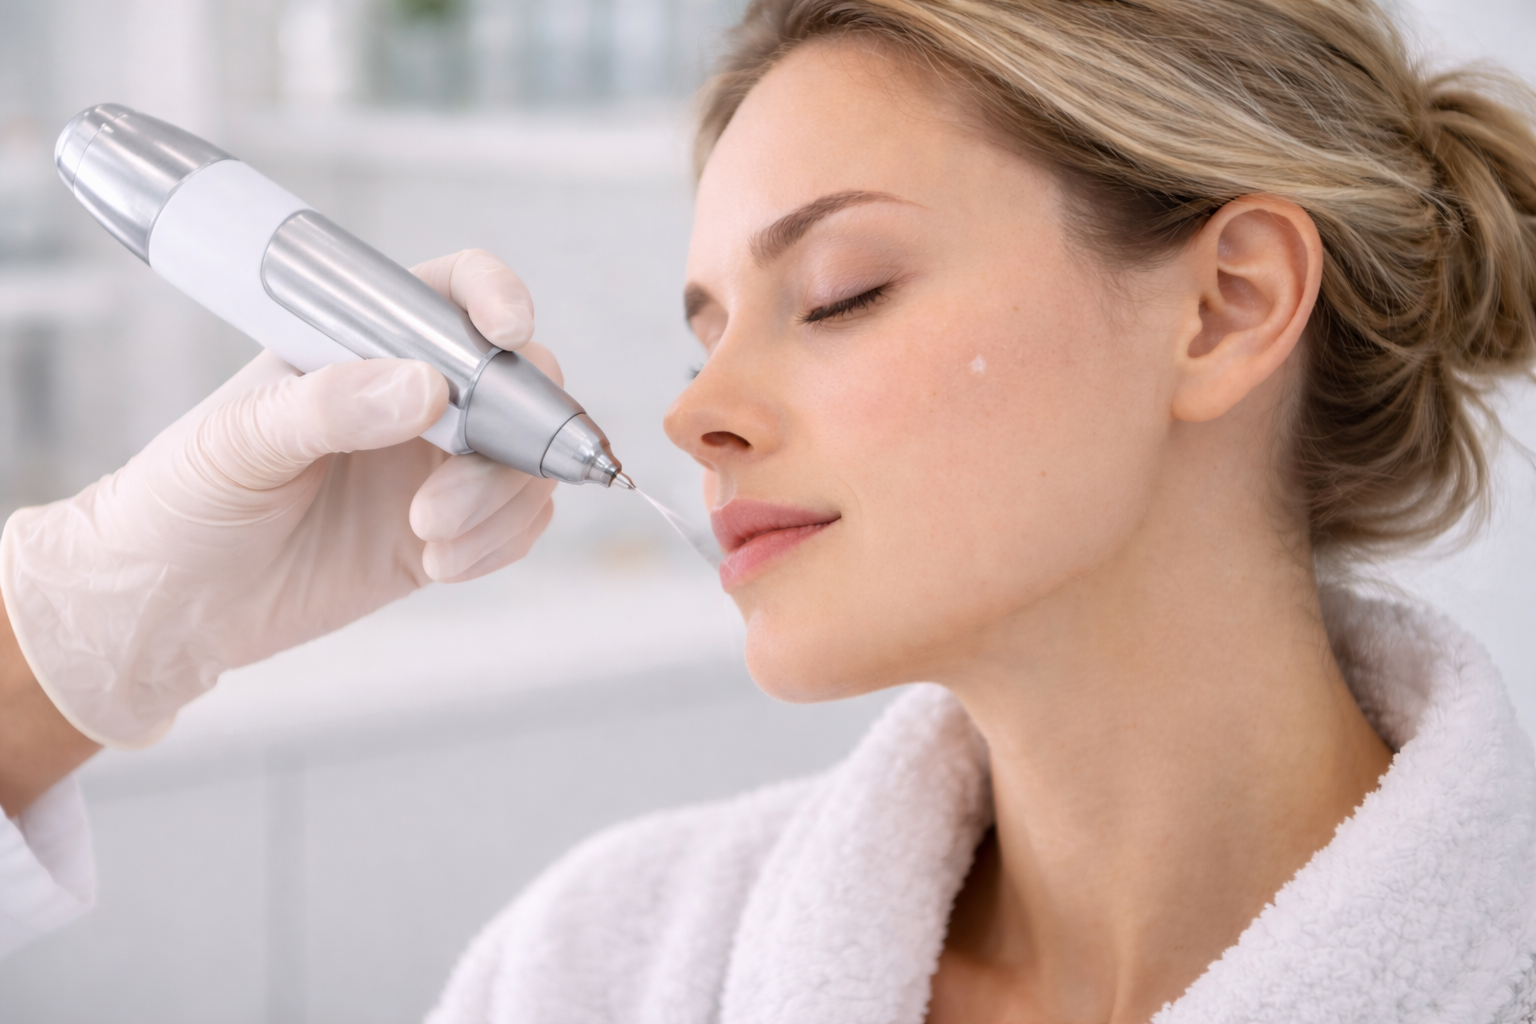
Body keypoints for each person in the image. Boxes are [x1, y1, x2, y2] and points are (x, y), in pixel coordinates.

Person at [7, 0, 1536, 1019]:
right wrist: (57, 656)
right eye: (700, 331)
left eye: (837, 294)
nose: (691, 414)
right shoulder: (606, 968)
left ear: (1224, 306)